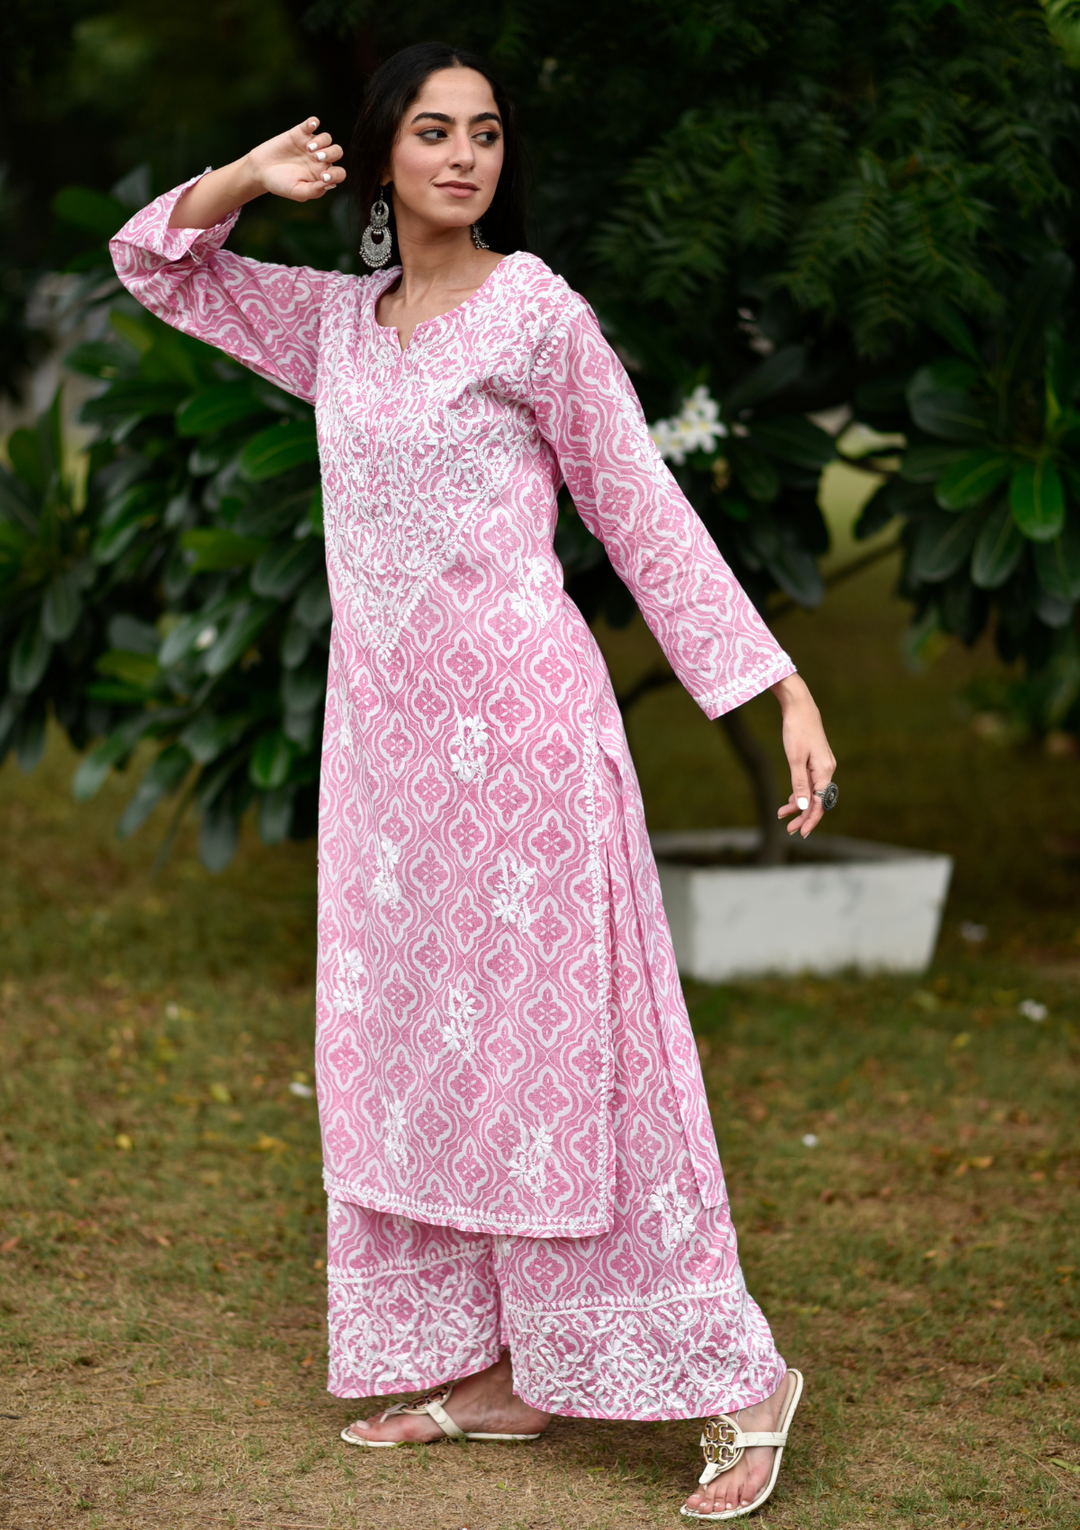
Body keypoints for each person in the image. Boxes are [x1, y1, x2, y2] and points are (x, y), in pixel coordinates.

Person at [111, 40, 836, 1520]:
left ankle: (740, 1378)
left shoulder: (536, 313)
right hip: (391, 777)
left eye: (486, 133)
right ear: (383, 154)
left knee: (574, 1061)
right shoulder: (335, 324)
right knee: (431, 1056)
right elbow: (158, 267)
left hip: (528, 749)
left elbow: (638, 505)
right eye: (434, 132)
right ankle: (511, 1368)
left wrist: (777, 684)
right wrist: (246, 177)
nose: (463, 156)